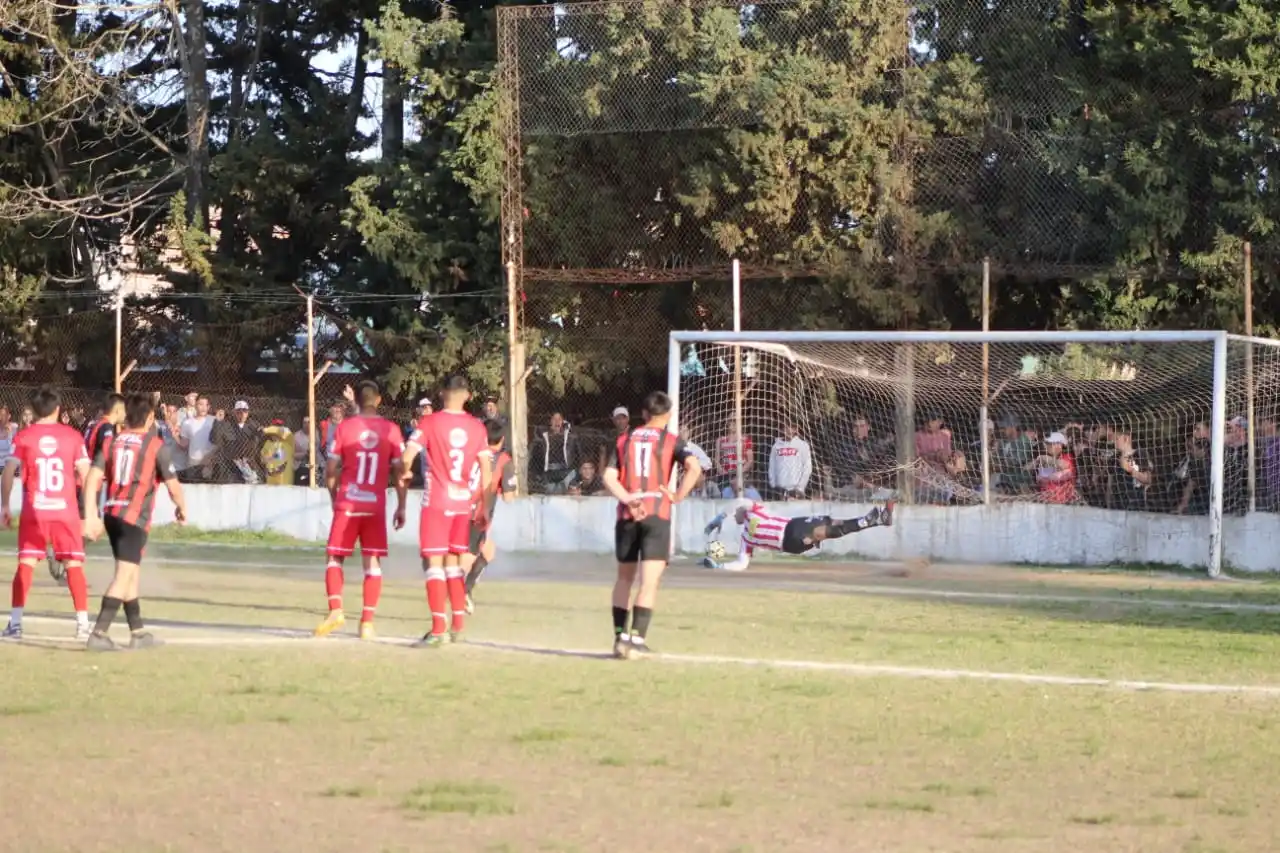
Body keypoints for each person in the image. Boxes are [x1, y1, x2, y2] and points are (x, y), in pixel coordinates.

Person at [82, 393, 187, 651]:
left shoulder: (113, 441)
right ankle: (99, 633)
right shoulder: (154, 445)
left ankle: (138, 632)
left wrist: (90, 515)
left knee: (132, 574)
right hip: (133, 519)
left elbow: (92, 477)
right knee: (123, 576)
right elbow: (174, 487)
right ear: (150, 417)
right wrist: (182, 509)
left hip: (111, 514)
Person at [602, 390, 703, 660]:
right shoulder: (672, 440)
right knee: (649, 582)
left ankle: (619, 637)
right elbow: (694, 468)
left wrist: (628, 498)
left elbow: (609, 476)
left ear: (644, 414)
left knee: (624, 579)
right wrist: (677, 496)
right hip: (657, 514)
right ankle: (636, 639)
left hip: (627, 514)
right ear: (668, 415)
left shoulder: (625, 440)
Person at [401, 375, 491, 647]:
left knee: (433, 563)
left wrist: (403, 473)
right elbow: (486, 471)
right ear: (467, 395)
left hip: (437, 502)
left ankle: (438, 628)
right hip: (462, 504)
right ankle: (458, 626)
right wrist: (484, 507)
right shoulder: (477, 427)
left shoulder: (429, 423)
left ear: (442, 394)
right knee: (454, 563)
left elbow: (407, 457)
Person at [314, 381, 407, 641]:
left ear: (359, 400)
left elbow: (330, 470)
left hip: (348, 503)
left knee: (335, 557)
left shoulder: (345, 427)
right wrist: (401, 505)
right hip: (374, 505)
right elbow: (400, 473)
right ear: (378, 400)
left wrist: (335, 497)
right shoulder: (391, 430)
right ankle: (367, 622)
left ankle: (336, 611)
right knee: (372, 563)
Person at [0, 387, 93, 640]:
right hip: (65, 512)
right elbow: (87, 475)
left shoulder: (24, 436)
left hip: (35, 511)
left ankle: (16, 624)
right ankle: (83, 625)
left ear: (34, 410)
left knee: (26, 563)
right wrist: (92, 513)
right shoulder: (73, 436)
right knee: (73, 564)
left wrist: (5, 506)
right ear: (58, 409)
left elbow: (8, 471)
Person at [701, 498, 895, 571]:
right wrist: (719, 566)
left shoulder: (754, 510)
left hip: (792, 530)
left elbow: (740, 500)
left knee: (829, 524)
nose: (735, 514)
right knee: (824, 529)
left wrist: (720, 516)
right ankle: (871, 520)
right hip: (790, 540)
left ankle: (873, 520)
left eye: (736, 512)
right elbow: (742, 564)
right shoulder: (745, 539)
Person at [462, 418, 517, 615]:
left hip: (459, 508)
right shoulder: (504, 461)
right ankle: (459, 593)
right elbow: (510, 497)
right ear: (503, 439)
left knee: (488, 551)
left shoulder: (470, 453)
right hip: (478, 515)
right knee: (467, 558)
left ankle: (464, 592)